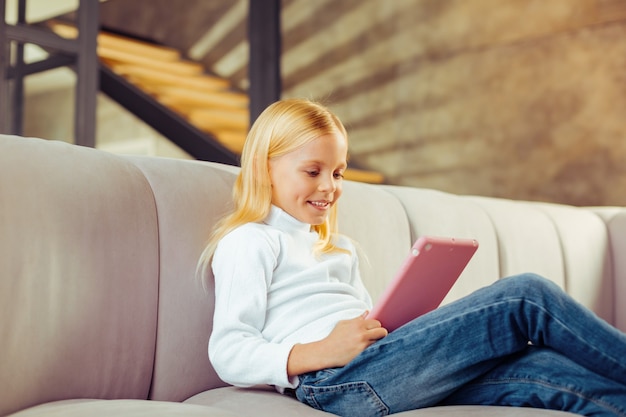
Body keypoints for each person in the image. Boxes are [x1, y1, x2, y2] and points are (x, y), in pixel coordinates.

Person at [198, 98, 626, 417]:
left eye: (338, 172)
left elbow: (363, 328)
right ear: (264, 168)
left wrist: (398, 326)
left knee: (542, 368)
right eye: (313, 171)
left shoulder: (338, 248)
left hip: (384, 368)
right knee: (527, 296)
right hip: (334, 382)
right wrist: (321, 350)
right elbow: (229, 351)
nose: (329, 186)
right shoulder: (252, 241)